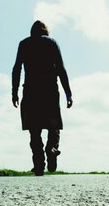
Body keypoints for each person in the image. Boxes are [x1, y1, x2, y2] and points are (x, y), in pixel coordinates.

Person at [12, 20, 72, 176]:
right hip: (49, 90)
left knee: (34, 130)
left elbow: (17, 69)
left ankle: (38, 165)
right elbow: (61, 68)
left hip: (31, 91)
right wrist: (68, 93)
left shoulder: (24, 44)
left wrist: (14, 92)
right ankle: (52, 150)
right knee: (54, 127)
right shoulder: (51, 43)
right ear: (46, 31)